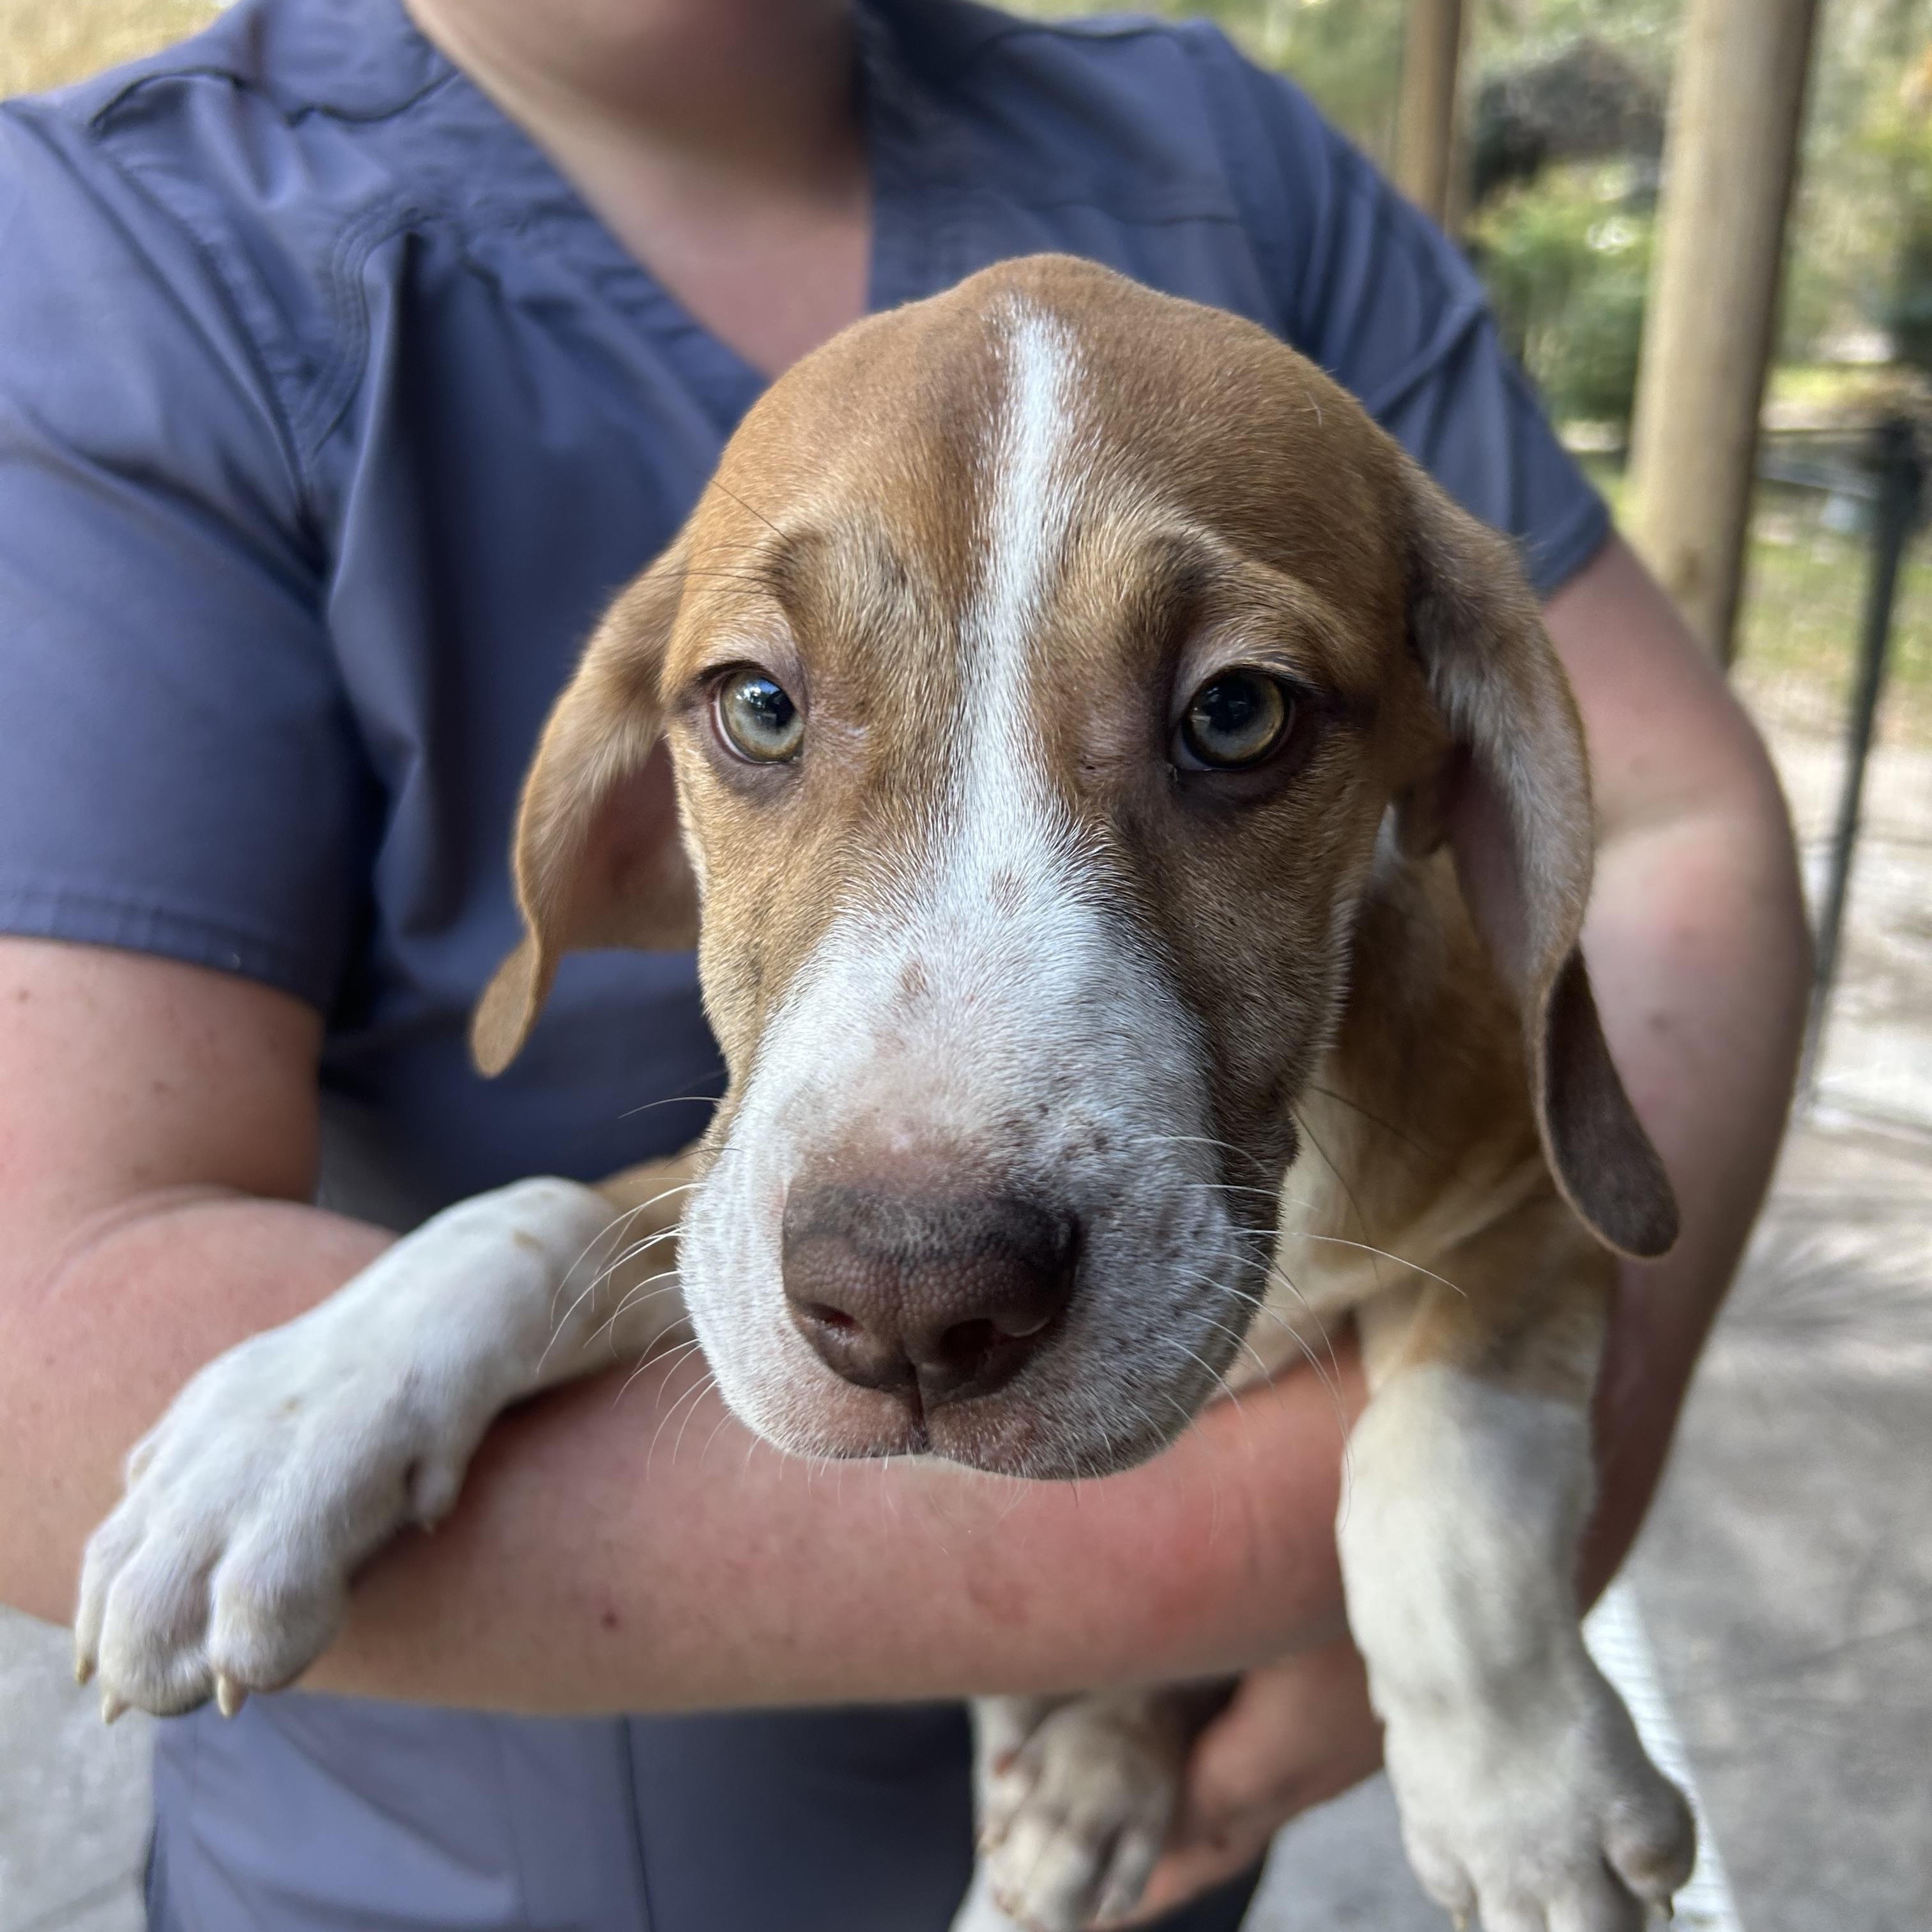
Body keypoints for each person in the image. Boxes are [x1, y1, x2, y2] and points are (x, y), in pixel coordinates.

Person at [0, 0, 1807, 1927]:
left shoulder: (1222, 139)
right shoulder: (119, 249)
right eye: (768, 711)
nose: (927, 1209)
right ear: (612, 808)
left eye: (1231, 719)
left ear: (1457, 755)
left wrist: (1469, 1599)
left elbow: (1584, 1080)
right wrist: (482, 1278)